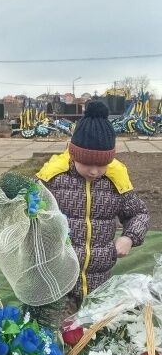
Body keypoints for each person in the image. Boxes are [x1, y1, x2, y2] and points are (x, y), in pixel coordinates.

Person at [36, 100, 149, 310]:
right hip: (59, 280)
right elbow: (31, 213)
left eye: (102, 164)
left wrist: (129, 237)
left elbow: (139, 214)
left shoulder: (116, 181)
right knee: (60, 335)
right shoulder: (53, 179)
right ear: (75, 154)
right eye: (87, 163)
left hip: (100, 280)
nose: (95, 171)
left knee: (94, 333)